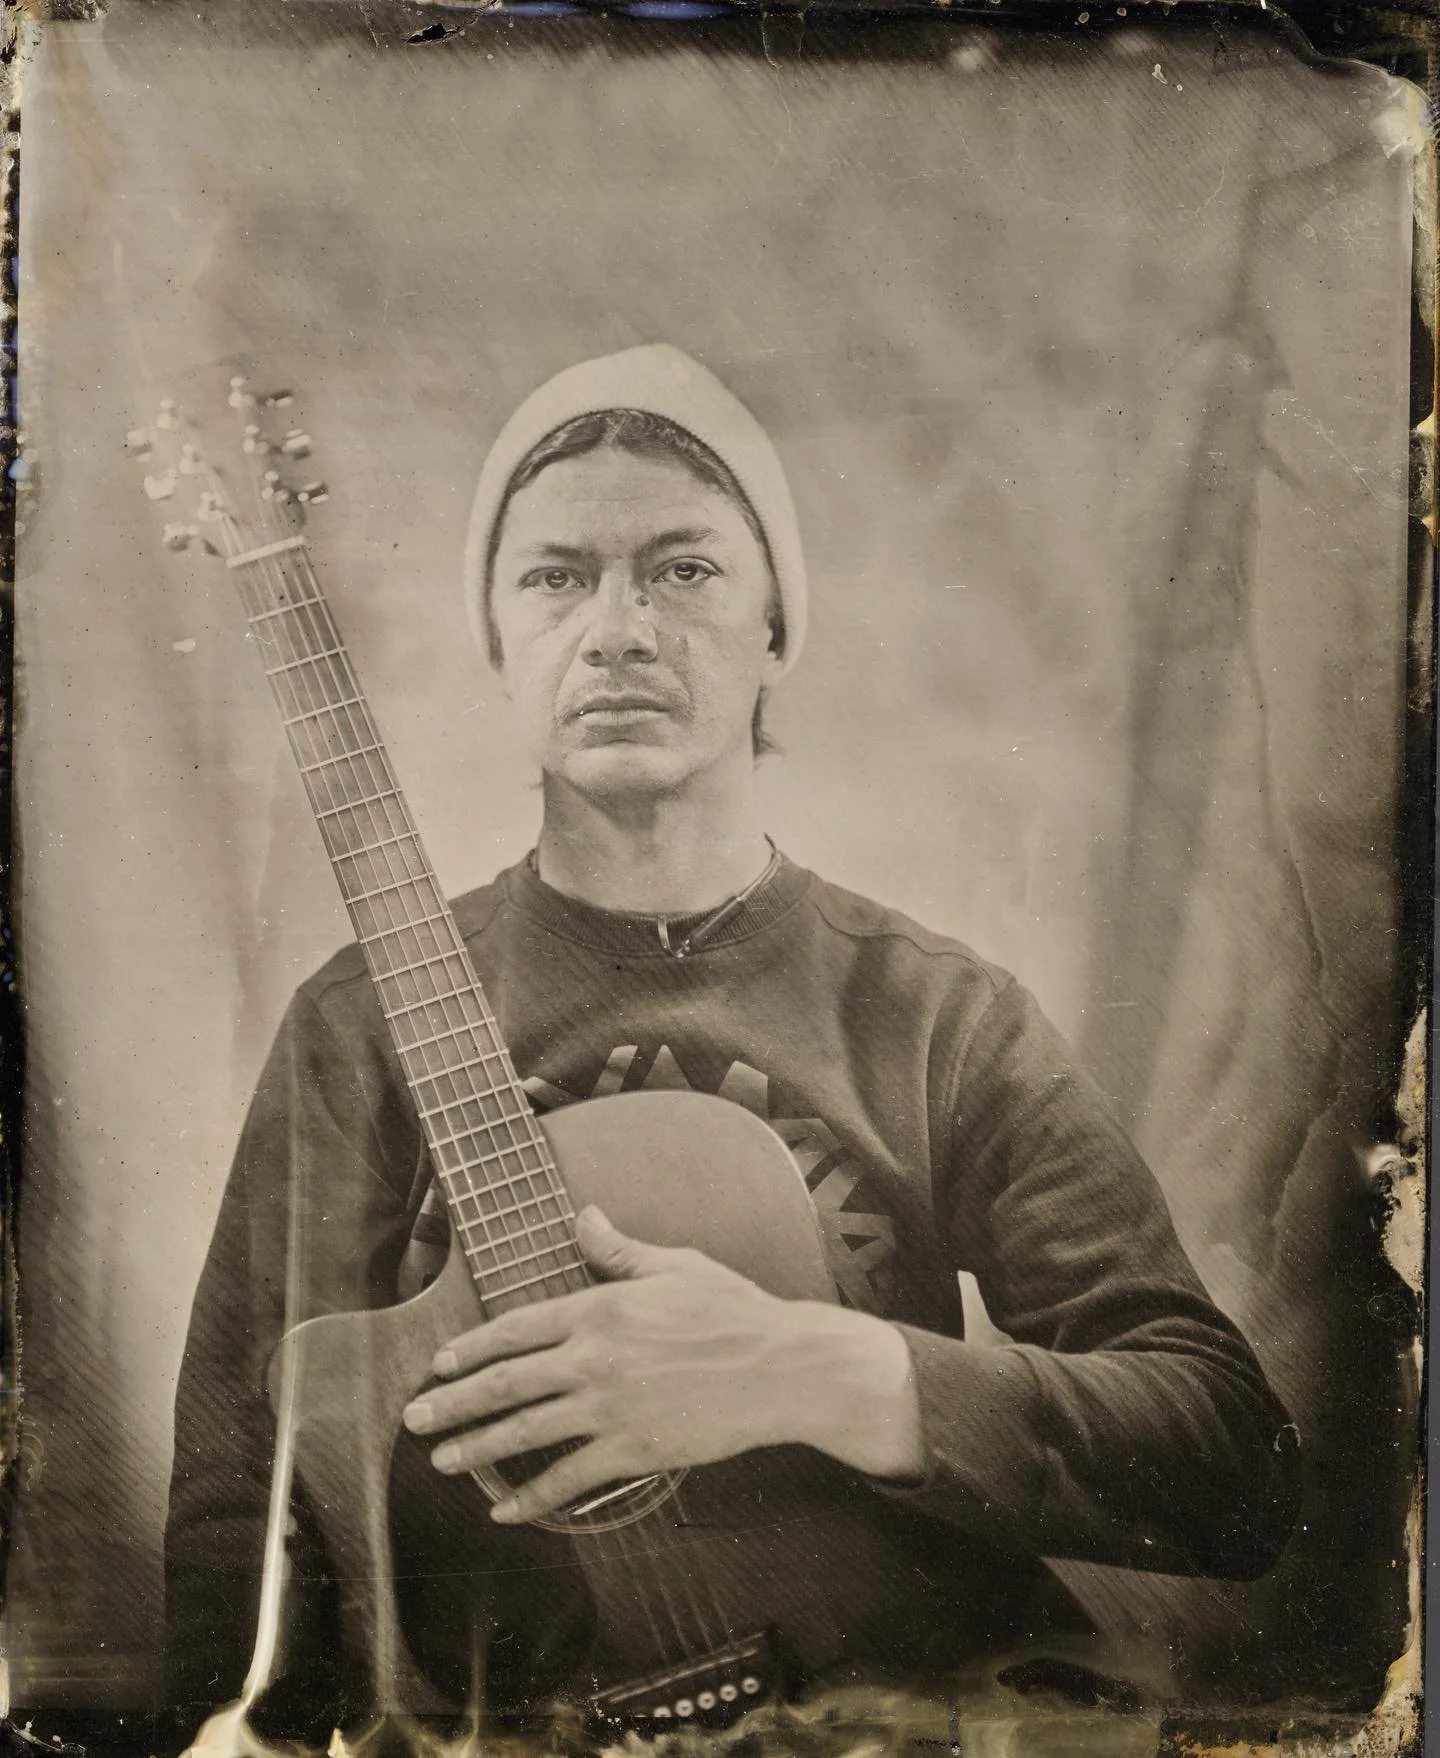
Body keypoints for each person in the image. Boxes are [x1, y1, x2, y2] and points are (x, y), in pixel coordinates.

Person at [164, 345, 1301, 1739]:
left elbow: (1231, 1461)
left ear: (776, 627)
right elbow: (240, 1502)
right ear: (501, 642)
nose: (621, 628)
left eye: (685, 569)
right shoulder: (355, 1023)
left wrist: (803, 1367)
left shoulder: (936, 1012)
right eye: (556, 575)